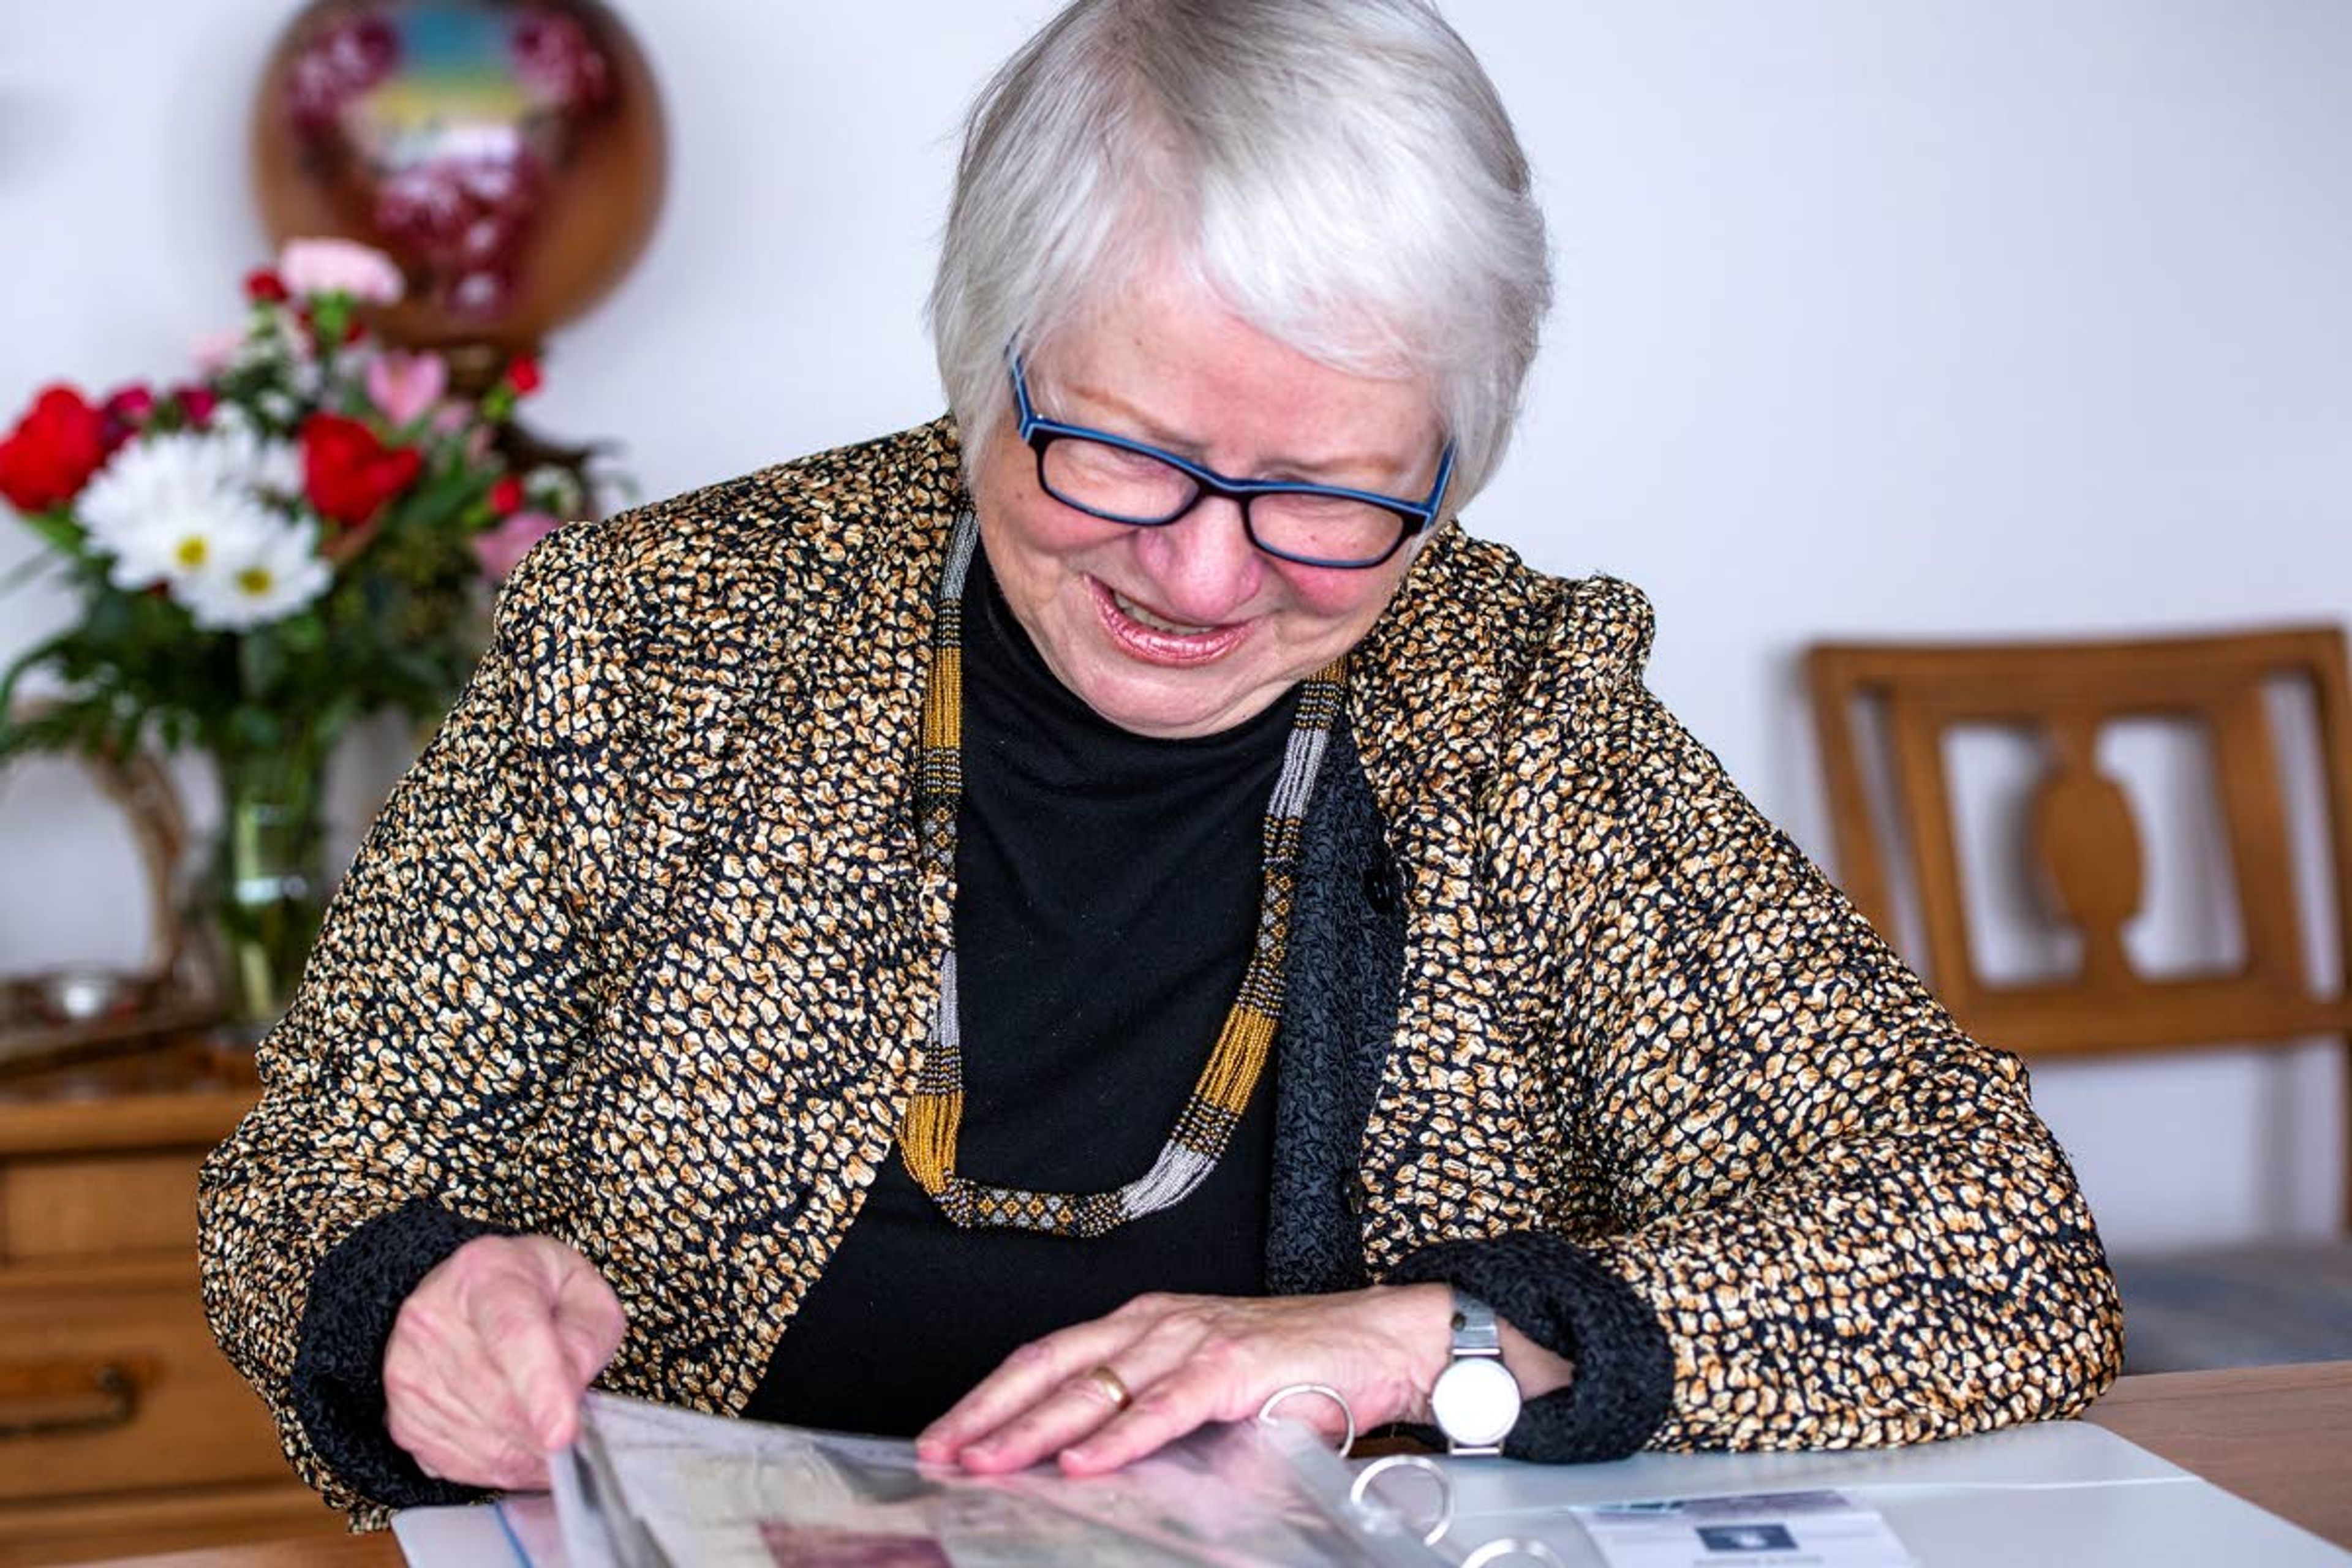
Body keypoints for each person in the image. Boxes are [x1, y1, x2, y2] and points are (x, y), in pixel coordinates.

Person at [199, 0, 2123, 1528]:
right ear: (983, 358)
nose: (1202, 575)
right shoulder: (656, 638)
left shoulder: (1523, 717)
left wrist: (1429, 1345)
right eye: (1116, 454)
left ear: (1451, 462)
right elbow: (304, 1172)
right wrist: (407, 1303)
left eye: (1329, 496)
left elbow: (1993, 1249)